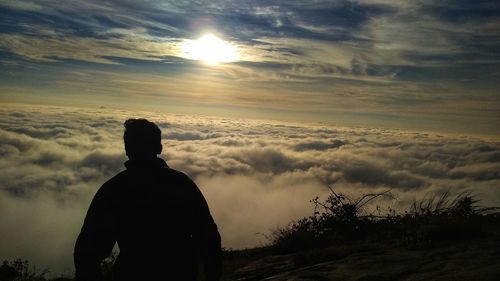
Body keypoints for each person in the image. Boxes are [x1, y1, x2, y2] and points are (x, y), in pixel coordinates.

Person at [74, 118, 221, 281]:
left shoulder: (114, 190)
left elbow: (87, 253)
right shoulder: (181, 184)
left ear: (127, 149)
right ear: (159, 147)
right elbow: (209, 237)